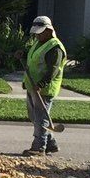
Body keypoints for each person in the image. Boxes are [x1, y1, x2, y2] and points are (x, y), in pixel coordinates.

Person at [22, 15, 67, 155]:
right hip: (32, 86)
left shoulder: (55, 48)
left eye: (40, 32)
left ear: (48, 30)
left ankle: (39, 147)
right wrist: (22, 54)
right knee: (35, 117)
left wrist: (41, 83)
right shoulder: (39, 42)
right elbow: (34, 57)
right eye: (36, 32)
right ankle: (51, 144)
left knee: (40, 118)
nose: (37, 35)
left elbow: (52, 70)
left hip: (44, 88)